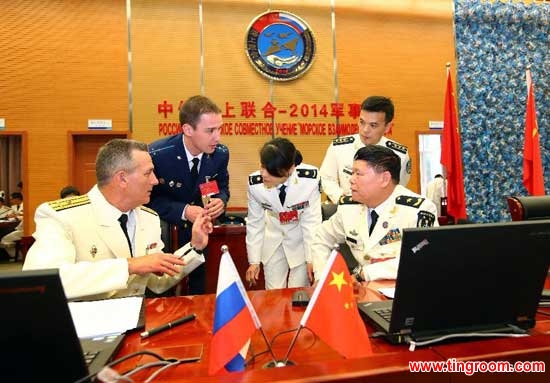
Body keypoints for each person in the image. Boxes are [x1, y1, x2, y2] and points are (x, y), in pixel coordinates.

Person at [23, 139, 213, 300]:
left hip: (136, 328)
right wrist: (129, 265)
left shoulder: (148, 218)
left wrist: (194, 246)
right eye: (148, 173)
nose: (155, 180)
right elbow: (43, 281)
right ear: (122, 179)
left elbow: (158, 281)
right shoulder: (61, 216)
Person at [311, 144, 438, 283]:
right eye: (352, 173)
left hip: (404, 289)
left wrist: (366, 273)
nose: (351, 179)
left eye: (358, 174)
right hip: (363, 292)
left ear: (384, 179)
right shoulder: (348, 208)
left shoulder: (418, 210)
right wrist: (322, 278)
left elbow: (422, 254)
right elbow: (321, 238)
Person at [148, 95, 229, 295]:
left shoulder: (220, 154)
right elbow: (147, 202)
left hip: (201, 236)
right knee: (165, 295)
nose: (217, 137)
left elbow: (222, 187)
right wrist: (184, 211)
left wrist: (221, 201)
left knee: (198, 293)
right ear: (188, 130)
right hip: (166, 235)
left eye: (219, 129)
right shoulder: (159, 154)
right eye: (210, 131)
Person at [246, 138, 322, 289]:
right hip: (273, 242)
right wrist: (253, 261)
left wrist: (312, 259)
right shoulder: (255, 185)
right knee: (274, 295)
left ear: (291, 169)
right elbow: (255, 223)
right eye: (262, 166)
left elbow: (311, 222)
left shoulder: (309, 181)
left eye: (271, 172)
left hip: (300, 243)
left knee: (298, 294)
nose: (263, 174)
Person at [319, 96, 411, 204]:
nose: (365, 130)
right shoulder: (339, 147)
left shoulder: (400, 155)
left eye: (373, 125)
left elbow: (399, 187)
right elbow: (326, 178)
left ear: (387, 127)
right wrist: (341, 199)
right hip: (348, 209)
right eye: (362, 122)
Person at [0, 192, 24, 260]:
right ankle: (17, 255)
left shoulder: (26, 205)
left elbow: (23, 216)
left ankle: (18, 256)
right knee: (4, 237)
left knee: (4, 239)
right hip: (16, 226)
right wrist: (12, 216)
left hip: (22, 229)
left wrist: (16, 216)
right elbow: (15, 215)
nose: (10, 201)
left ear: (17, 199)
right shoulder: (13, 207)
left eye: (11, 199)